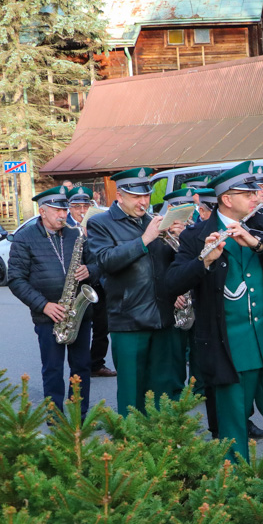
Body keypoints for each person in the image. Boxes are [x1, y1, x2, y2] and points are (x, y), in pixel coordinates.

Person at [164, 160, 263, 461]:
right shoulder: (195, 235)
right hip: (229, 347)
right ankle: (236, 488)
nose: (258, 197)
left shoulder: (261, 224)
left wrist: (256, 243)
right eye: (249, 193)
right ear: (227, 199)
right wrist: (204, 260)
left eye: (257, 192)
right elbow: (171, 283)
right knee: (232, 423)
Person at [87, 168, 187, 414]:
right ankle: (130, 447)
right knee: (132, 393)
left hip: (162, 318)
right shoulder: (100, 223)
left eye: (146, 196)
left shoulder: (151, 220)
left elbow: (168, 266)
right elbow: (105, 262)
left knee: (162, 390)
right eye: (136, 197)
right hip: (128, 320)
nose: (143, 202)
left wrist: (180, 240)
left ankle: (162, 445)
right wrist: (145, 239)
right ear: (120, 196)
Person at [8, 186, 99, 418]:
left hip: (78, 314)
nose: (63, 215)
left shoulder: (76, 235)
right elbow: (16, 280)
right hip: (48, 315)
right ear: (42, 211)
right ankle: (54, 415)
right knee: (53, 369)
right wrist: (44, 305)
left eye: (64, 210)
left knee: (81, 366)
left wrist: (90, 270)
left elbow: (98, 266)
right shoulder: (24, 238)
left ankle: (80, 414)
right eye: (57, 210)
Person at [65, 187, 115, 379]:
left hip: (98, 283)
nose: (82, 211)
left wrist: (92, 270)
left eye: (85, 206)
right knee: (79, 327)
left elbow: (105, 256)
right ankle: (79, 367)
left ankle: (96, 364)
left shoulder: (97, 225)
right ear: (69, 208)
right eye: (77, 207)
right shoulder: (66, 227)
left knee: (102, 326)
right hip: (76, 286)